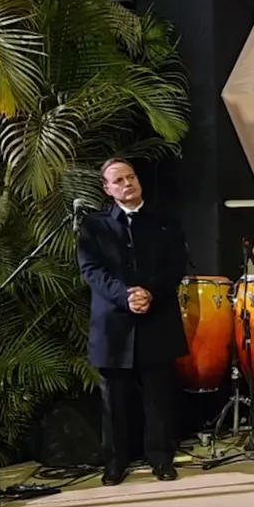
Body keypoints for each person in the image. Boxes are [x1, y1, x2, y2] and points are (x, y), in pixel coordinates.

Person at [77, 157, 188, 486]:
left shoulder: (165, 221)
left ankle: (161, 458)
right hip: (113, 323)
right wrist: (125, 296)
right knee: (115, 400)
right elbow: (91, 270)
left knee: (158, 397)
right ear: (107, 189)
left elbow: (175, 266)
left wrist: (149, 293)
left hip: (157, 318)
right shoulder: (94, 226)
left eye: (131, 177)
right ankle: (115, 463)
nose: (128, 183)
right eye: (119, 180)